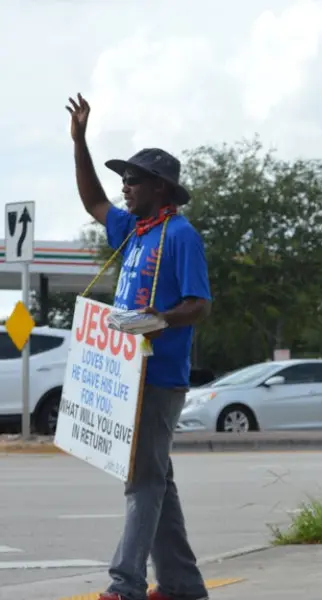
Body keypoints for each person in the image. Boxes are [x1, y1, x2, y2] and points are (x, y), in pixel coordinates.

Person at [67, 93, 212, 600]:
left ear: (160, 187)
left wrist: (159, 319)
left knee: (142, 482)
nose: (124, 187)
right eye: (124, 179)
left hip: (159, 378)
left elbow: (199, 304)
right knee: (157, 482)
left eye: (132, 179)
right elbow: (93, 202)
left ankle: (124, 585)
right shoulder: (133, 231)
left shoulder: (181, 236)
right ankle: (182, 586)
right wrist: (79, 142)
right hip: (126, 375)